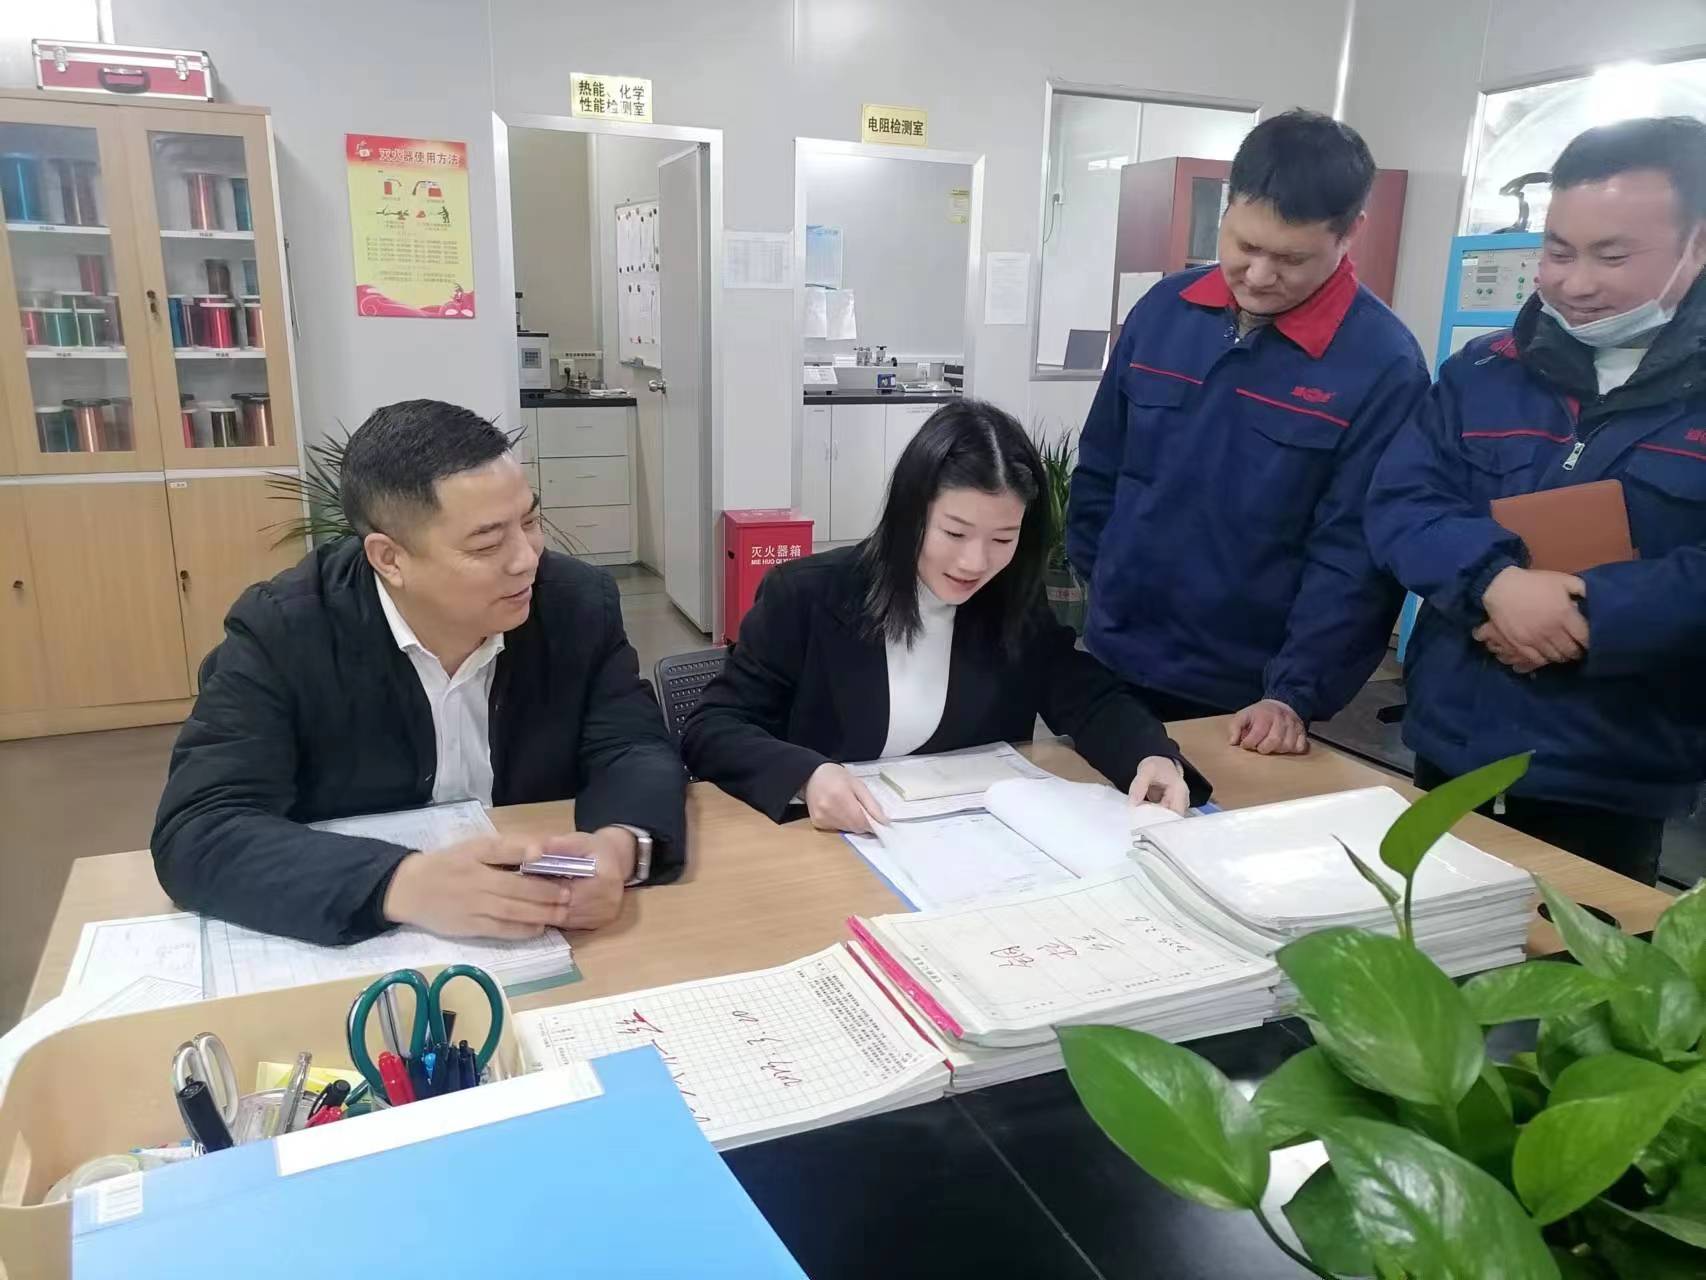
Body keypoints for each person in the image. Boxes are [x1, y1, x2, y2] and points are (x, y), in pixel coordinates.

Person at [152, 399, 687, 944]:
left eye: (529, 521)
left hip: (545, 928)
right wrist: (401, 884)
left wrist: (619, 847)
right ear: (389, 559)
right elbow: (201, 829)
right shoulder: (286, 631)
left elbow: (632, 747)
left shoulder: (575, 603)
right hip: (366, 943)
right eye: (487, 543)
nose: (526, 558)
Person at [1368, 116, 1706, 885]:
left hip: (1613, 767)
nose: (1574, 283)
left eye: (1611, 256)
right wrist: (1494, 584)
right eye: (1557, 251)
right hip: (1453, 742)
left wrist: (1588, 615)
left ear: (1697, 245)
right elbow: (1402, 501)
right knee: (1427, 941)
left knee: (1582, 956)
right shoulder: (1485, 371)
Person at [1068, 109, 1429, 754]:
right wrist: (1106, 586)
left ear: (1351, 233)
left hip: (1248, 696)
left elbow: (1355, 553)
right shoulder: (1163, 313)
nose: (1259, 276)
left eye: (1290, 258)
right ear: (1227, 206)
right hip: (1115, 656)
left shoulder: (1381, 364)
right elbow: (1101, 464)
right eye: (1244, 246)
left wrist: (1295, 690)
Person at [682, 399, 1208, 832]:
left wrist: (1149, 755)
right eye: (954, 533)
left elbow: (1088, 697)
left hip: (965, 849)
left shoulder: (1008, 600)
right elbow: (713, 728)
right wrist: (806, 776)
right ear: (910, 514)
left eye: (1002, 539)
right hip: (828, 849)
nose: (974, 563)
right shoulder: (807, 595)